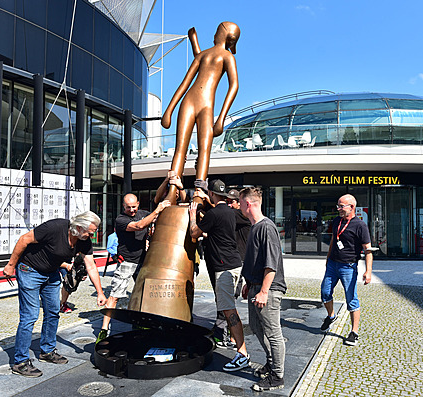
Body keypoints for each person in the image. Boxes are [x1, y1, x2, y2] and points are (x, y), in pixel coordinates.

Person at [3, 211, 107, 378]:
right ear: (79, 228)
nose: (92, 236)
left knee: (53, 312)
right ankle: (20, 361)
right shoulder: (55, 227)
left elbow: (91, 266)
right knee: (30, 315)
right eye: (90, 232)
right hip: (29, 270)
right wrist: (10, 265)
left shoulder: (83, 241)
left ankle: (47, 351)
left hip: (51, 273)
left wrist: (100, 293)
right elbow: (24, 239)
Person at [161, 22, 240, 201]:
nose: (214, 34)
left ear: (224, 36)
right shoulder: (205, 55)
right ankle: (173, 188)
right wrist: (169, 110)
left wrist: (221, 118)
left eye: (217, 31)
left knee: (204, 149)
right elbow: (185, 82)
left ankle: (199, 191)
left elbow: (234, 85)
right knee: (183, 148)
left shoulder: (227, 57)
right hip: (191, 102)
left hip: (204, 106)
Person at [189, 179, 249, 372]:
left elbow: (193, 233)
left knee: (229, 310)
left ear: (212, 195)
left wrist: (192, 216)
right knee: (228, 308)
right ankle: (236, 343)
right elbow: (217, 232)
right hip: (232, 263)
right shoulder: (231, 213)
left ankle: (242, 354)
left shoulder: (213, 214)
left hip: (224, 268)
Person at [97, 194, 171, 342]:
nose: (131, 210)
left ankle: (141, 323)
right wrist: (158, 210)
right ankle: (104, 330)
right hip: (127, 261)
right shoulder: (120, 220)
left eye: (134, 207)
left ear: (138, 204)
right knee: (115, 295)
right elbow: (139, 226)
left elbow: (158, 216)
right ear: (123, 206)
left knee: (145, 294)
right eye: (128, 207)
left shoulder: (143, 213)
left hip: (143, 260)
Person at [239, 187, 287, 392]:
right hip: (255, 287)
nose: (238, 206)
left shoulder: (266, 227)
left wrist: (264, 291)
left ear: (248, 204)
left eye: (240, 202)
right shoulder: (255, 227)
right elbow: (255, 261)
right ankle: (271, 364)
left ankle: (277, 376)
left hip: (268, 289)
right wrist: (248, 285)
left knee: (273, 332)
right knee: (257, 327)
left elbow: (271, 264)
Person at [320, 194, 373, 347]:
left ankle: (354, 332)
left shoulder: (360, 225)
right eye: (338, 205)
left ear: (352, 207)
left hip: (348, 266)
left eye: (341, 206)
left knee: (351, 299)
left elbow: (368, 250)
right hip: (332, 264)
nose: (339, 209)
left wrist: (368, 271)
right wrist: (328, 258)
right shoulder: (337, 220)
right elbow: (333, 239)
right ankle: (331, 316)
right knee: (325, 292)